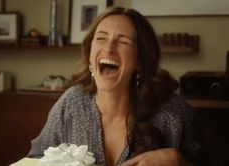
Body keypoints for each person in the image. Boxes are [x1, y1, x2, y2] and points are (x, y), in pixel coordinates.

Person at [28, 7, 207, 166]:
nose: (109, 48)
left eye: (123, 42)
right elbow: (34, 160)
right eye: (101, 38)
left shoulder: (174, 114)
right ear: (90, 53)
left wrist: (180, 163)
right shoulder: (71, 104)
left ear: (140, 61)